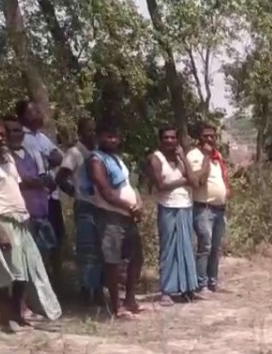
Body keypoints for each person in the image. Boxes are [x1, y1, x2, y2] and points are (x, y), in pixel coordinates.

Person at [0, 117, 61, 332]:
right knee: (6, 272)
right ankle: (5, 318)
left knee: (24, 271)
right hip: (1, 219)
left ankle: (17, 315)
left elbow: (16, 187)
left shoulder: (7, 158)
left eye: (1, 134)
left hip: (20, 219)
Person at [84, 122, 144, 318]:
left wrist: (139, 204)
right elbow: (106, 192)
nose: (112, 140)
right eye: (108, 136)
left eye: (115, 136)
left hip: (128, 216)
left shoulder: (117, 159)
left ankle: (130, 300)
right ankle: (117, 306)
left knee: (136, 257)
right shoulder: (96, 160)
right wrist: (129, 206)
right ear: (100, 137)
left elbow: (129, 185)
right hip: (111, 216)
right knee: (112, 261)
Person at [148, 126, 201, 305]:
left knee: (186, 248)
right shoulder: (156, 158)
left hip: (185, 206)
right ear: (160, 140)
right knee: (169, 249)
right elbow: (160, 185)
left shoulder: (180, 158)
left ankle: (187, 288)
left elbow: (195, 182)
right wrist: (182, 181)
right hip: (168, 206)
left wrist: (184, 159)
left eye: (172, 138)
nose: (169, 141)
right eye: (166, 138)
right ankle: (167, 290)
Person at [15, 100, 65, 282]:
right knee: (37, 241)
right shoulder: (22, 138)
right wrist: (47, 158)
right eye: (32, 112)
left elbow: (59, 157)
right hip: (34, 199)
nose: (38, 114)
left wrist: (50, 158)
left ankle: (57, 279)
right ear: (21, 117)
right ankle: (38, 280)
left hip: (52, 196)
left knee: (57, 238)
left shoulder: (42, 137)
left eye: (38, 111)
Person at [57, 117, 102, 303]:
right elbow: (60, 178)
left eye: (94, 131)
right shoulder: (74, 153)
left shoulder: (98, 153)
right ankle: (85, 290)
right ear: (80, 132)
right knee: (86, 249)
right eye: (88, 131)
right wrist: (75, 193)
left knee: (101, 249)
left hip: (101, 205)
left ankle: (98, 289)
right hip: (84, 205)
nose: (92, 134)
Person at [187, 122, 231, 296]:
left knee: (216, 247)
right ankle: (201, 284)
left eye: (212, 136)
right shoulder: (195, 155)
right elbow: (200, 180)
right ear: (199, 137)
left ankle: (213, 282)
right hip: (204, 209)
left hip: (219, 208)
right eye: (206, 136)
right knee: (204, 246)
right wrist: (205, 156)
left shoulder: (217, 155)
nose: (210, 139)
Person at [5, 118, 58, 257]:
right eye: (8, 131)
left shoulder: (33, 153)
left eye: (16, 130)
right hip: (20, 218)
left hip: (42, 213)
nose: (12, 134)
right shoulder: (4, 158)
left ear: (22, 133)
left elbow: (46, 179)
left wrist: (44, 183)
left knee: (49, 254)